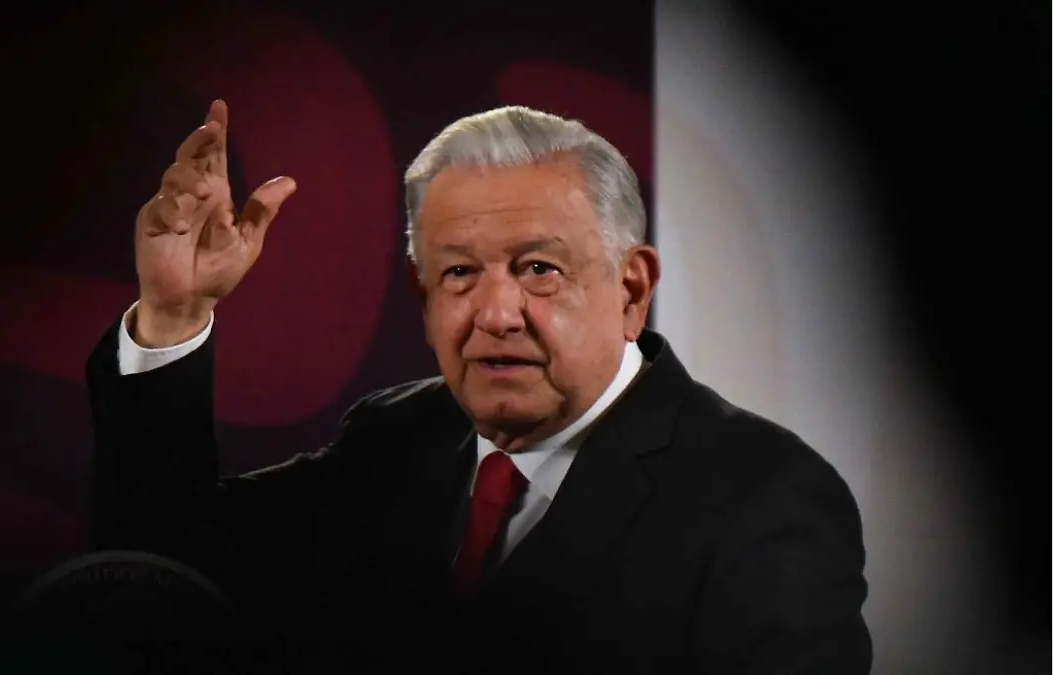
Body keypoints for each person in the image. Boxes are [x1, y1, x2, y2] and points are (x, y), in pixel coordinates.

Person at [85, 99, 871, 674]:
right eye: (459, 272)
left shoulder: (765, 500)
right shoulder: (391, 439)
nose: (495, 314)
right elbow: (161, 572)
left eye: (539, 268)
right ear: (423, 295)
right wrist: (173, 312)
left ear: (632, 290)